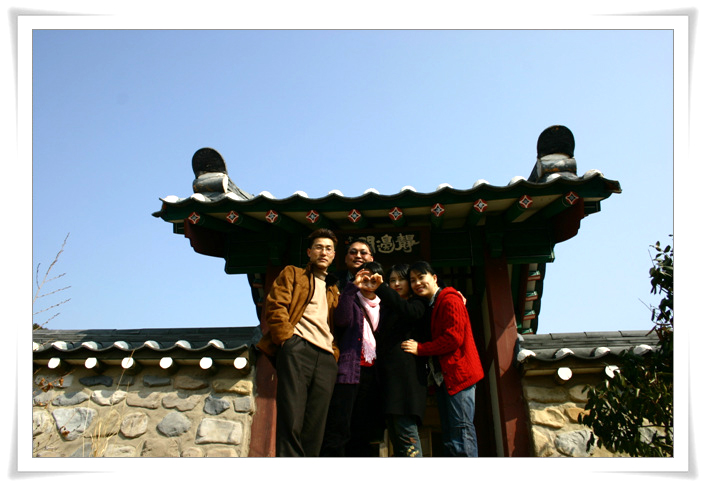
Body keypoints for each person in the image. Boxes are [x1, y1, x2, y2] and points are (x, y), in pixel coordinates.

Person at [256, 228, 340, 457]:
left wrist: (334, 352)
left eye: (329, 249)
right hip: (298, 348)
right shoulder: (293, 274)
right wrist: (287, 340)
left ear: (334, 255)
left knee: (316, 424)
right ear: (309, 252)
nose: (324, 252)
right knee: (291, 416)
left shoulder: (333, 289)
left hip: (326, 357)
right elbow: (275, 306)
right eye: (319, 247)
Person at [401, 261, 484, 457]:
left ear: (434, 278)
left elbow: (453, 338)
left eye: (421, 277)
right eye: (412, 280)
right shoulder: (431, 305)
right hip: (443, 378)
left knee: (461, 431)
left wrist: (421, 349)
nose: (417, 283)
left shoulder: (449, 300)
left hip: (458, 374)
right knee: (449, 435)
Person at [320, 261, 387, 456]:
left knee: (363, 430)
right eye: (364, 277)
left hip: (373, 375)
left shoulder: (385, 305)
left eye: (373, 278)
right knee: (339, 426)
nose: (368, 282)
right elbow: (341, 320)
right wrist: (352, 287)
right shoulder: (350, 299)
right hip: (350, 372)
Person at [372, 263, 428, 457]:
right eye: (392, 280)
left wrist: (382, 288)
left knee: (407, 438)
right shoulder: (386, 308)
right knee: (396, 440)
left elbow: (408, 311)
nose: (396, 284)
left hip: (406, 384)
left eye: (401, 279)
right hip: (388, 383)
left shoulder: (418, 304)